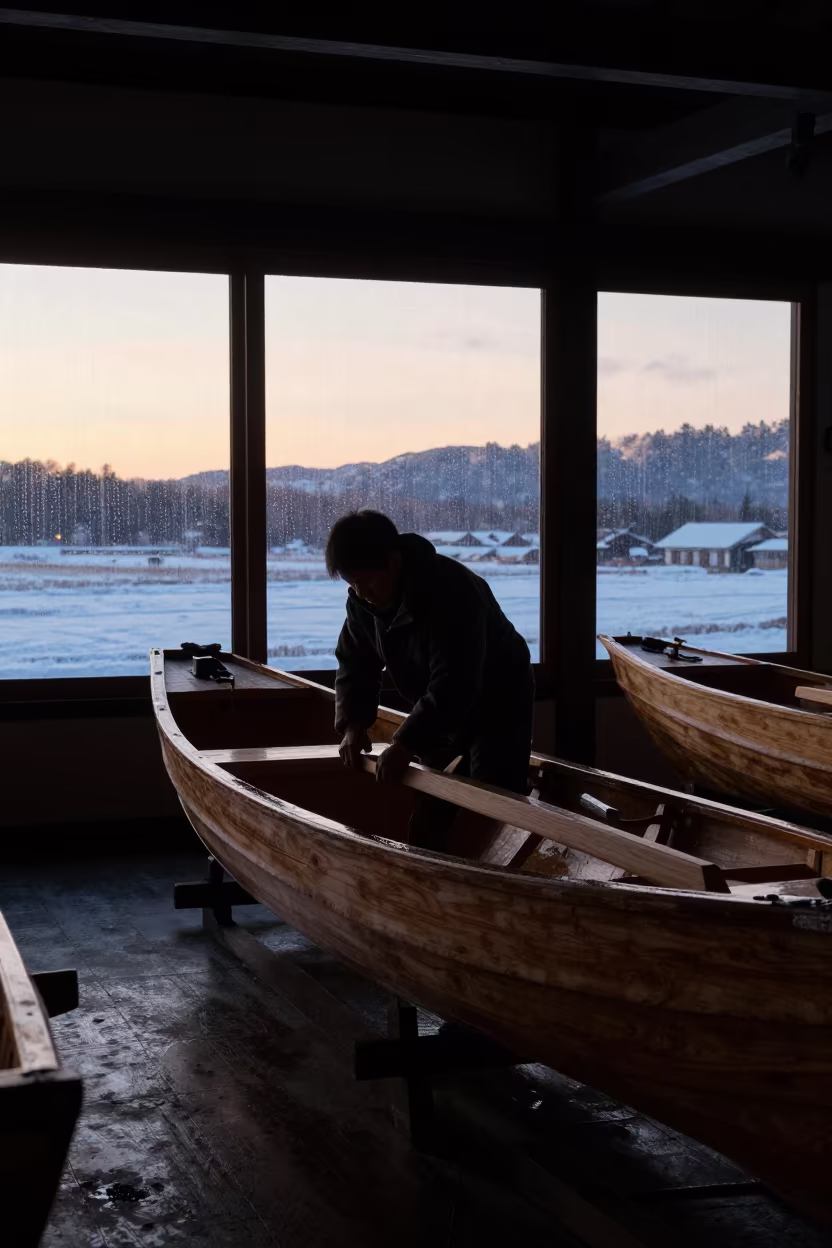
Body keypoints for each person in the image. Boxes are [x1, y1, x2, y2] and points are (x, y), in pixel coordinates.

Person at [328, 510, 535, 850]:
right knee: (432, 803)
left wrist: (407, 743)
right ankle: (429, 884)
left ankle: (500, 882)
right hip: (439, 706)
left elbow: (455, 680)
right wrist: (353, 724)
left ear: (393, 562)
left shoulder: (452, 590)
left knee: (492, 798)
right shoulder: (364, 603)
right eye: (354, 585)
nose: (363, 593)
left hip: (498, 700)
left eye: (368, 582)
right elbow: (356, 663)